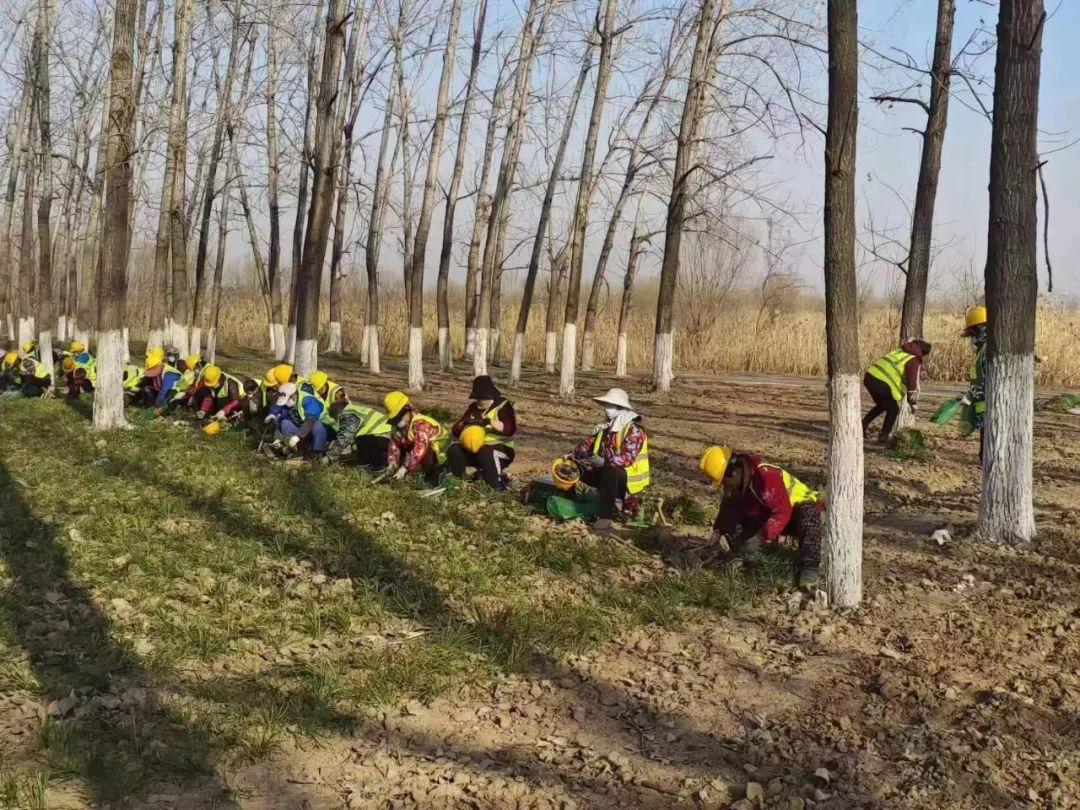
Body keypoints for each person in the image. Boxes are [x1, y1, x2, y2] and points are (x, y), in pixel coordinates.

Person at [700, 445, 821, 589]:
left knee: (809, 512)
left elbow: (782, 512)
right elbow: (728, 505)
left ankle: (809, 567)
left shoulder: (765, 477)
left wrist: (761, 537)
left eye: (724, 482)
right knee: (737, 516)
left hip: (793, 512)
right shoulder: (740, 482)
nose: (725, 487)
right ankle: (743, 555)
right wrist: (718, 530)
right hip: (771, 514)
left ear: (734, 473)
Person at [571, 387, 650, 534]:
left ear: (621, 408)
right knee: (573, 468)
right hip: (606, 473)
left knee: (609, 470)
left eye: (611, 406)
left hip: (628, 479)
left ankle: (604, 519)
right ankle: (572, 502)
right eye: (606, 405)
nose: (607, 409)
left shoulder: (633, 430)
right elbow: (583, 447)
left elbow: (627, 458)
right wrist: (579, 457)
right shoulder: (605, 428)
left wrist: (604, 462)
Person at [446, 375, 517, 489]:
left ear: (492, 395)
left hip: (500, 450)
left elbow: (510, 429)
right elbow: (455, 431)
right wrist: (464, 424)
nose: (481, 401)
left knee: (485, 451)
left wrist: (488, 422)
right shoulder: (473, 408)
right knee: (454, 448)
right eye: (478, 398)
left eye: (485, 398)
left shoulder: (503, 406)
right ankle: (457, 483)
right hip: (474, 449)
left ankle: (496, 486)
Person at [862, 339, 932, 442]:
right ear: (923, 353)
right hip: (880, 382)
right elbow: (911, 381)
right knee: (893, 409)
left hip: (870, 376)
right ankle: (884, 437)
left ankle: (863, 425)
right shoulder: (913, 359)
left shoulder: (900, 351)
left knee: (883, 405)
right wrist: (912, 401)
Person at [385, 391, 449, 485]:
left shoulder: (421, 424)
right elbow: (394, 443)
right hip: (417, 453)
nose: (398, 421)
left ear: (408, 410)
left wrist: (405, 467)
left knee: (426, 454)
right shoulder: (399, 427)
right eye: (395, 419)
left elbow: (420, 449)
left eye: (399, 417)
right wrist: (392, 462)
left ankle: (432, 479)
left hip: (440, 454)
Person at [320, 397, 393, 467]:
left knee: (361, 446)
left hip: (380, 438)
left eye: (334, 418)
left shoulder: (348, 414)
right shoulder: (356, 409)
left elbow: (344, 438)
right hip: (387, 436)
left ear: (338, 414)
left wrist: (329, 457)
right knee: (358, 445)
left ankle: (378, 464)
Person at [275, 382, 330, 458]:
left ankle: (318, 452)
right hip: (304, 429)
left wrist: (298, 436)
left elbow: (311, 420)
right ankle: (294, 449)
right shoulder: (291, 403)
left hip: (323, 430)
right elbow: (282, 416)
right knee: (285, 423)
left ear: (293, 395)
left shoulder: (308, 400)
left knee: (317, 425)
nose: (286, 403)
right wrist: (278, 437)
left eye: (287, 400)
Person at [961, 305, 988, 458]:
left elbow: (989, 379)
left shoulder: (988, 350)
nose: (971, 339)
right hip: (984, 409)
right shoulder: (982, 350)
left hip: (991, 408)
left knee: (986, 452)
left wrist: (972, 394)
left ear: (981, 329)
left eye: (972, 334)